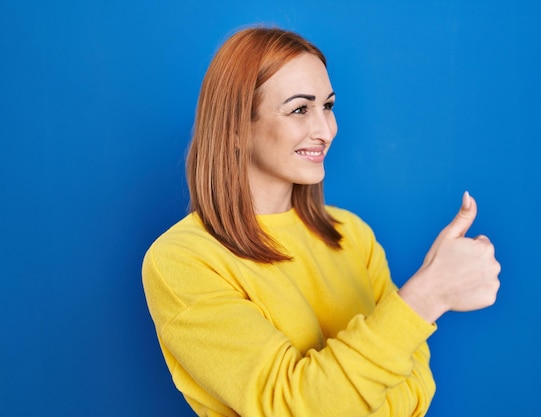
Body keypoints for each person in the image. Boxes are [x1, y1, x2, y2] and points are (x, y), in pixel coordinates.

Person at [142, 26, 500, 417]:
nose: (326, 130)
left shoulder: (352, 235)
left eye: (327, 106)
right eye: (299, 109)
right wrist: (427, 294)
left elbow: (417, 389)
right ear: (235, 129)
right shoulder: (181, 262)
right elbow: (299, 408)